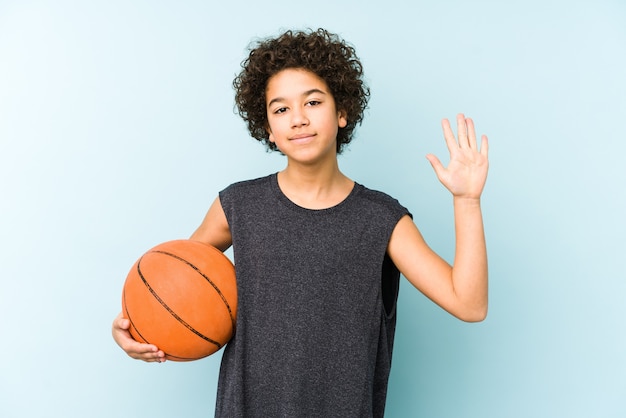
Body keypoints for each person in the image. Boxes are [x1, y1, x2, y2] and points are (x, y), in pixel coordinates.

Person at [112, 28, 489, 417]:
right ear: (269, 130)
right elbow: (175, 289)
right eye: (281, 109)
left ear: (342, 111)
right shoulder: (237, 205)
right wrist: (134, 329)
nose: (298, 119)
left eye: (312, 102)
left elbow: (469, 304)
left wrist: (467, 201)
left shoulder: (381, 219)